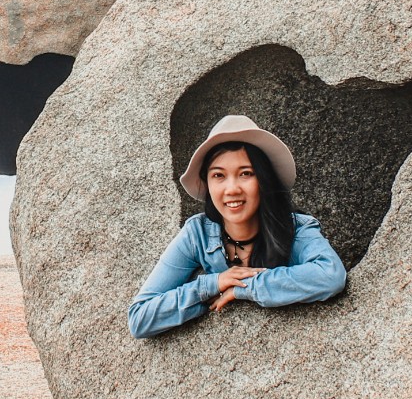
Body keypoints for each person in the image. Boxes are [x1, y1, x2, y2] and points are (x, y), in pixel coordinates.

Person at [127, 113, 347, 339]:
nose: (232, 189)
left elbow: (330, 274)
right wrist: (214, 283)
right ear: (207, 183)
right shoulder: (197, 234)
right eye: (218, 175)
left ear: (263, 179)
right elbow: (140, 318)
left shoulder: (296, 228)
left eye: (246, 173)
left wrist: (246, 287)